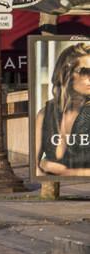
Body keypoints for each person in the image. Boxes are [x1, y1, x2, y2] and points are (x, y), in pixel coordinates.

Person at [37, 42, 90, 176]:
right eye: (85, 72)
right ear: (66, 73)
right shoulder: (45, 114)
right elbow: (35, 166)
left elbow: (46, 165)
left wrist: (66, 171)